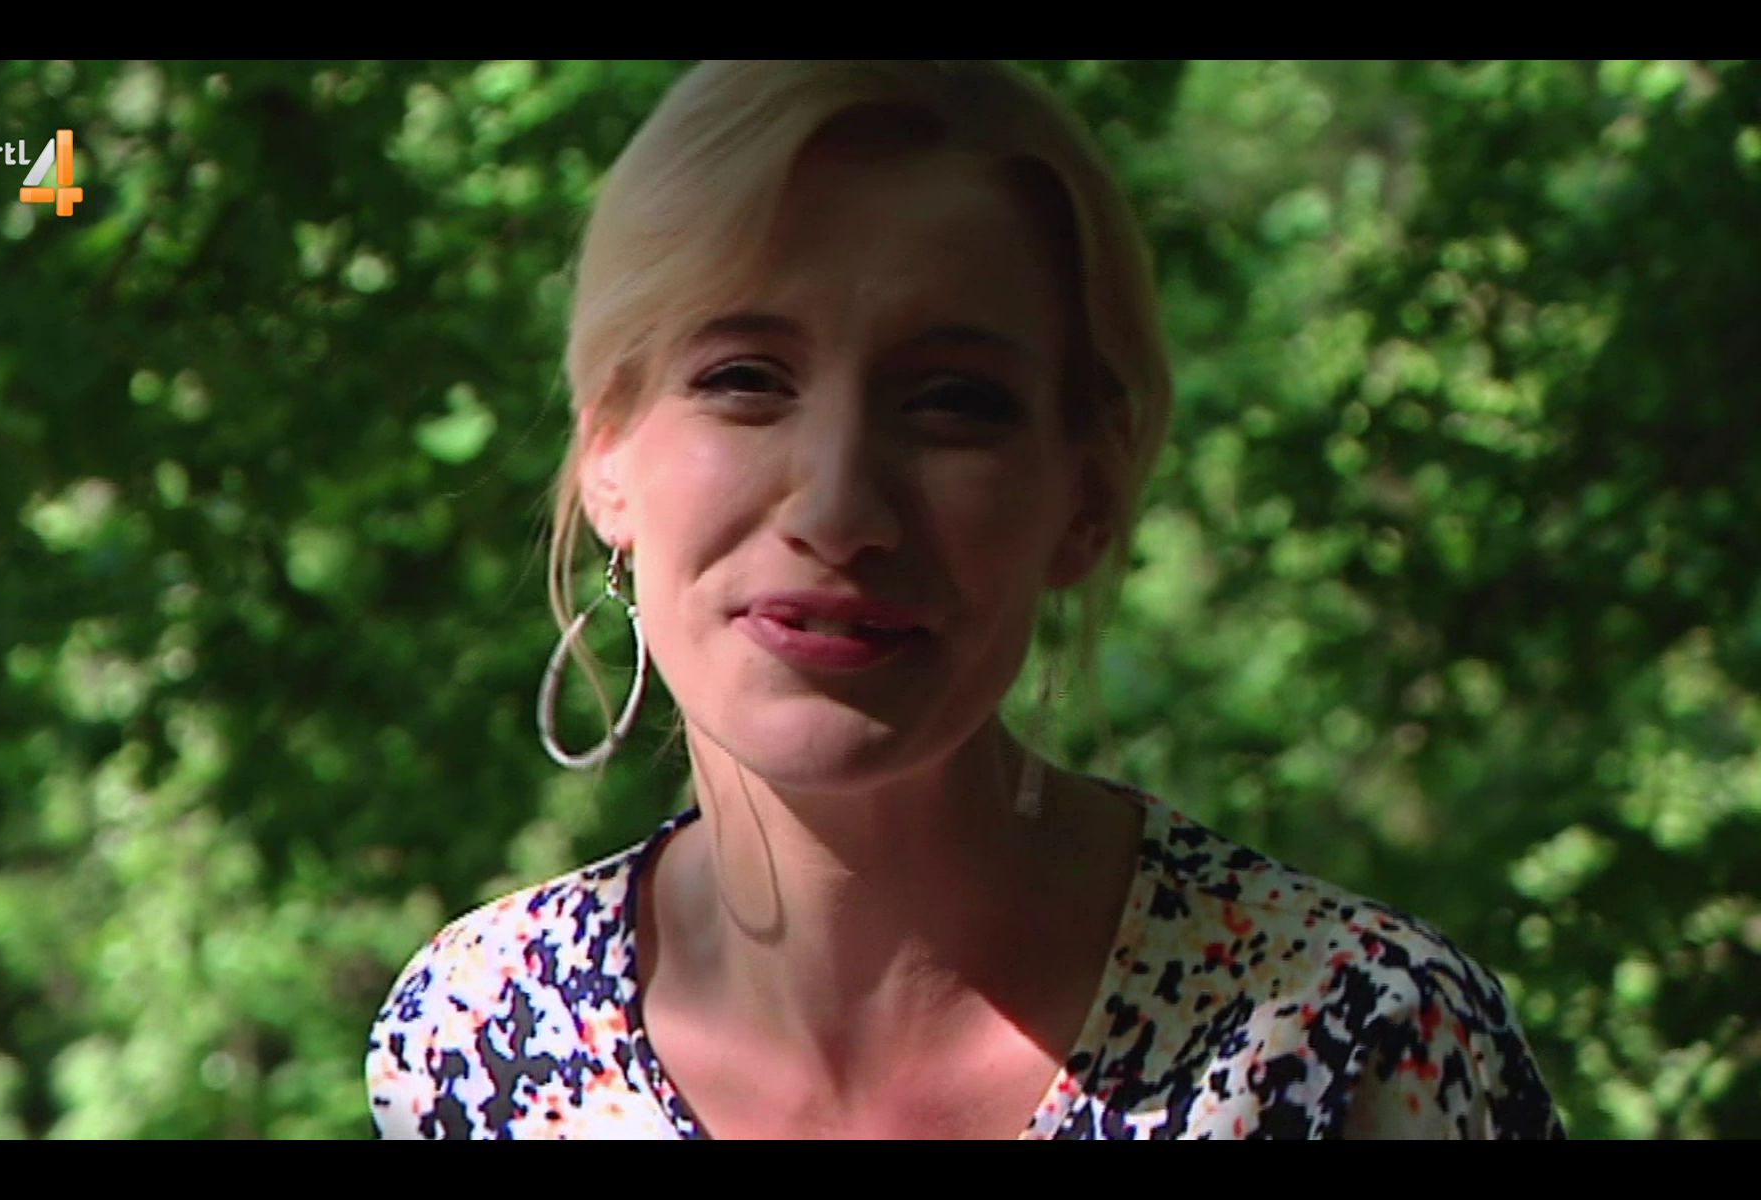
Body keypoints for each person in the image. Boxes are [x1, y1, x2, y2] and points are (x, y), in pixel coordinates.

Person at [365, 60, 1566, 1140]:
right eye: (745, 378)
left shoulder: (1349, 1040)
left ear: (1087, 492)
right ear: (608, 453)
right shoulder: (475, 1038)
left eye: (953, 401)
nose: (841, 508)